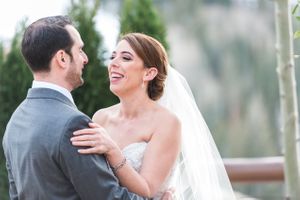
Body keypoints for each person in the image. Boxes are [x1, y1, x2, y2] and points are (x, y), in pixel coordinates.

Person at [71, 33, 236, 199]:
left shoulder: (167, 123)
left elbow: (146, 189)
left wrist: (112, 150)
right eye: (112, 57)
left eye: (126, 58)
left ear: (149, 73)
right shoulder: (101, 117)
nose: (113, 63)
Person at [2, 16, 147, 200]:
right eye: (79, 50)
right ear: (62, 58)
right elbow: (108, 197)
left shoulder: (15, 121)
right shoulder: (73, 125)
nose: (85, 59)